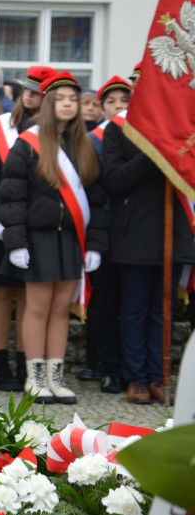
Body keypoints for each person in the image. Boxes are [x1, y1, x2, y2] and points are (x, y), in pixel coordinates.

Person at [0, 71, 107, 405]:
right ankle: (34, 377)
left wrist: (95, 245)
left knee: (62, 308)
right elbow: (12, 196)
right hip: (37, 238)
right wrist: (15, 243)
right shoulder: (28, 142)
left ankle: (55, 378)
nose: (68, 104)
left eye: (73, 99)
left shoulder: (84, 145)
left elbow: (97, 200)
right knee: (37, 306)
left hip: (71, 239)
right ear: (48, 103)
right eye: (60, 98)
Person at [102, 81, 190, 405]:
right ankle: (137, 378)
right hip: (134, 234)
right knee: (136, 311)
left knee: (162, 311)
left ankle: (158, 377)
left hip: (173, 233)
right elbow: (114, 180)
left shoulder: (180, 128)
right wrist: (153, 151)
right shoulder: (118, 130)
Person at [0, 65, 54, 391]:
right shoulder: (0, 128)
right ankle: (0, 365)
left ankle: (25, 365)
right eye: (29, 91)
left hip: (33, 228)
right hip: (3, 227)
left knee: (27, 295)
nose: (32, 97)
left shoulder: (54, 132)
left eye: (39, 93)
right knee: (3, 292)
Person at [82, 76, 132, 394]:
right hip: (104, 233)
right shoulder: (93, 140)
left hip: (134, 233)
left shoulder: (139, 137)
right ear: (101, 107)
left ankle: (131, 367)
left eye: (124, 101)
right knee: (103, 303)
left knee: (133, 304)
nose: (118, 107)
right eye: (111, 102)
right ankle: (106, 366)